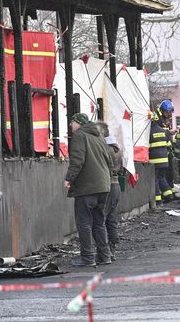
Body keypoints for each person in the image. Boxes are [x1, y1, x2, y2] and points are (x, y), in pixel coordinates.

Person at [64, 113, 113, 267]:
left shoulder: (80, 135)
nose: (71, 126)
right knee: (99, 222)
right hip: (104, 186)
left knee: (84, 223)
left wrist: (69, 178)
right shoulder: (98, 136)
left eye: (72, 122)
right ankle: (105, 256)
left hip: (87, 187)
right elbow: (110, 160)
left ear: (78, 123)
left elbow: (77, 160)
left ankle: (87, 257)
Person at [96, 121, 123, 261]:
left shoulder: (106, 149)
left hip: (108, 185)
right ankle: (112, 249)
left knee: (101, 219)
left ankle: (105, 252)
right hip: (115, 185)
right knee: (111, 219)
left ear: (102, 133)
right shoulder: (116, 148)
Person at [149, 113, 173, 205]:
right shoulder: (164, 131)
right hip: (164, 160)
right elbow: (169, 145)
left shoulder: (149, 132)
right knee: (161, 177)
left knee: (154, 179)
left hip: (154, 161)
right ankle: (169, 194)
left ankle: (158, 200)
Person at [156, 100, 176, 188]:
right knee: (163, 173)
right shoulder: (158, 120)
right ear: (163, 110)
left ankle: (170, 190)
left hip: (168, 150)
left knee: (170, 171)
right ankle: (166, 193)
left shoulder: (166, 119)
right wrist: (169, 132)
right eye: (168, 112)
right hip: (162, 150)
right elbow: (159, 133)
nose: (170, 114)